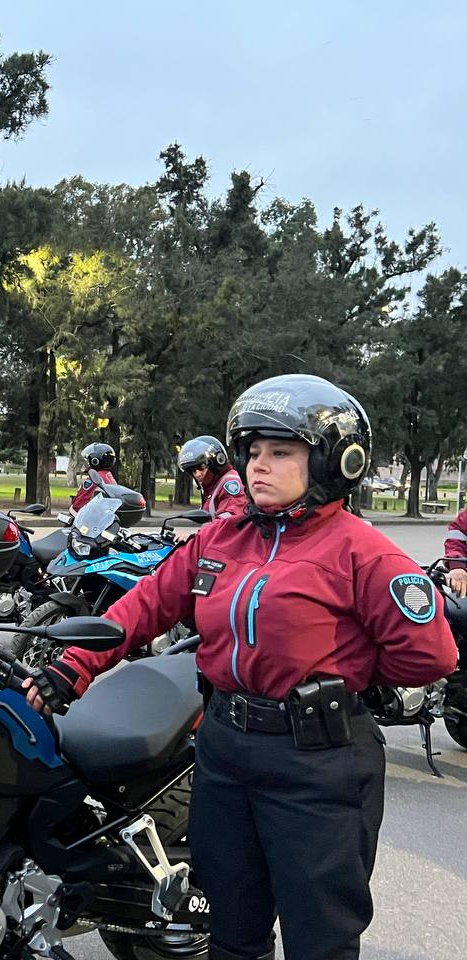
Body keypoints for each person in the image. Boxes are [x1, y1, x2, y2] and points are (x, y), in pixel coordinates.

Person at [24, 374, 457, 960]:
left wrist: (346, 671)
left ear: (335, 461)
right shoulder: (219, 539)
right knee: (230, 929)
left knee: (320, 938)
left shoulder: (364, 551)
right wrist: (71, 667)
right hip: (224, 750)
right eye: (253, 452)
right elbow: (144, 605)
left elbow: (430, 653)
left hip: (319, 763)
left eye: (281, 452)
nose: (259, 466)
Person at [179, 434, 246, 519]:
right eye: (193, 471)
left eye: (201, 467)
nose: (198, 474)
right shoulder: (213, 487)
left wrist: (205, 528)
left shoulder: (230, 483)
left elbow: (230, 519)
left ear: (217, 462)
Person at [69, 441, 117, 512]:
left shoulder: (94, 478)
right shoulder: (109, 476)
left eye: (88, 460)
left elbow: (79, 503)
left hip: (89, 515)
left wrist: (73, 509)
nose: (87, 463)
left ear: (95, 461)